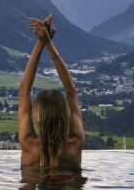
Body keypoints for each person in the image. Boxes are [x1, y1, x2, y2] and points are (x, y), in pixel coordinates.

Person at [18, 15, 85, 176]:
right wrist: (49, 43)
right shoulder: (75, 145)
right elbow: (71, 91)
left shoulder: (29, 145)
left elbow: (24, 91)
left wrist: (40, 43)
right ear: (65, 114)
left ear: (37, 117)